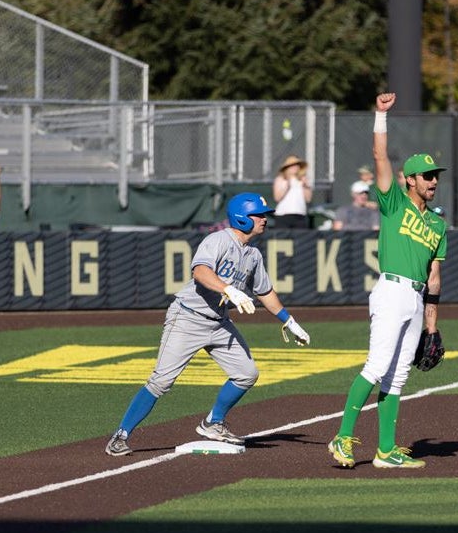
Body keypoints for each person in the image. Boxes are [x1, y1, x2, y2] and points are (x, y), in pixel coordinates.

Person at [105, 192, 311, 456]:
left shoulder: (253, 255)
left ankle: (213, 422)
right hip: (188, 318)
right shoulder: (218, 240)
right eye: (259, 215)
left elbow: (265, 293)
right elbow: (200, 272)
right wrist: (230, 290)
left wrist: (289, 321)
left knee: (246, 374)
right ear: (242, 218)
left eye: (264, 215)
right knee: (161, 382)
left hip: (219, 323)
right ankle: (120, 436)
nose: (264, 219)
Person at [327, 92, 448, 470]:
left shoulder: (438, 224)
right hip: (392, 290)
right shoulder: (394, 203)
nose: (432, 181)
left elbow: (434, 277)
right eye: (426, 176)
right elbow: (381, 157)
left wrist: (432, 326)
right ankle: (343, 436)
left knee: (398, 377)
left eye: (435, 176)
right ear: (410, 180)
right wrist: (379, 115)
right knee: (377, 366)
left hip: (414, 298)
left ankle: (385, 450)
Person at [272, 155, 312, 229]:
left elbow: (308, 199)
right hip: (283, 215)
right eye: (292, 165)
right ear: (287, 168)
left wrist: (305, 186)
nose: (295, 167)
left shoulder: (302, 180)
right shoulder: (280, 179)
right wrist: (286, 186)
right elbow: (277, 197)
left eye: (297, 165)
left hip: (300, 215)